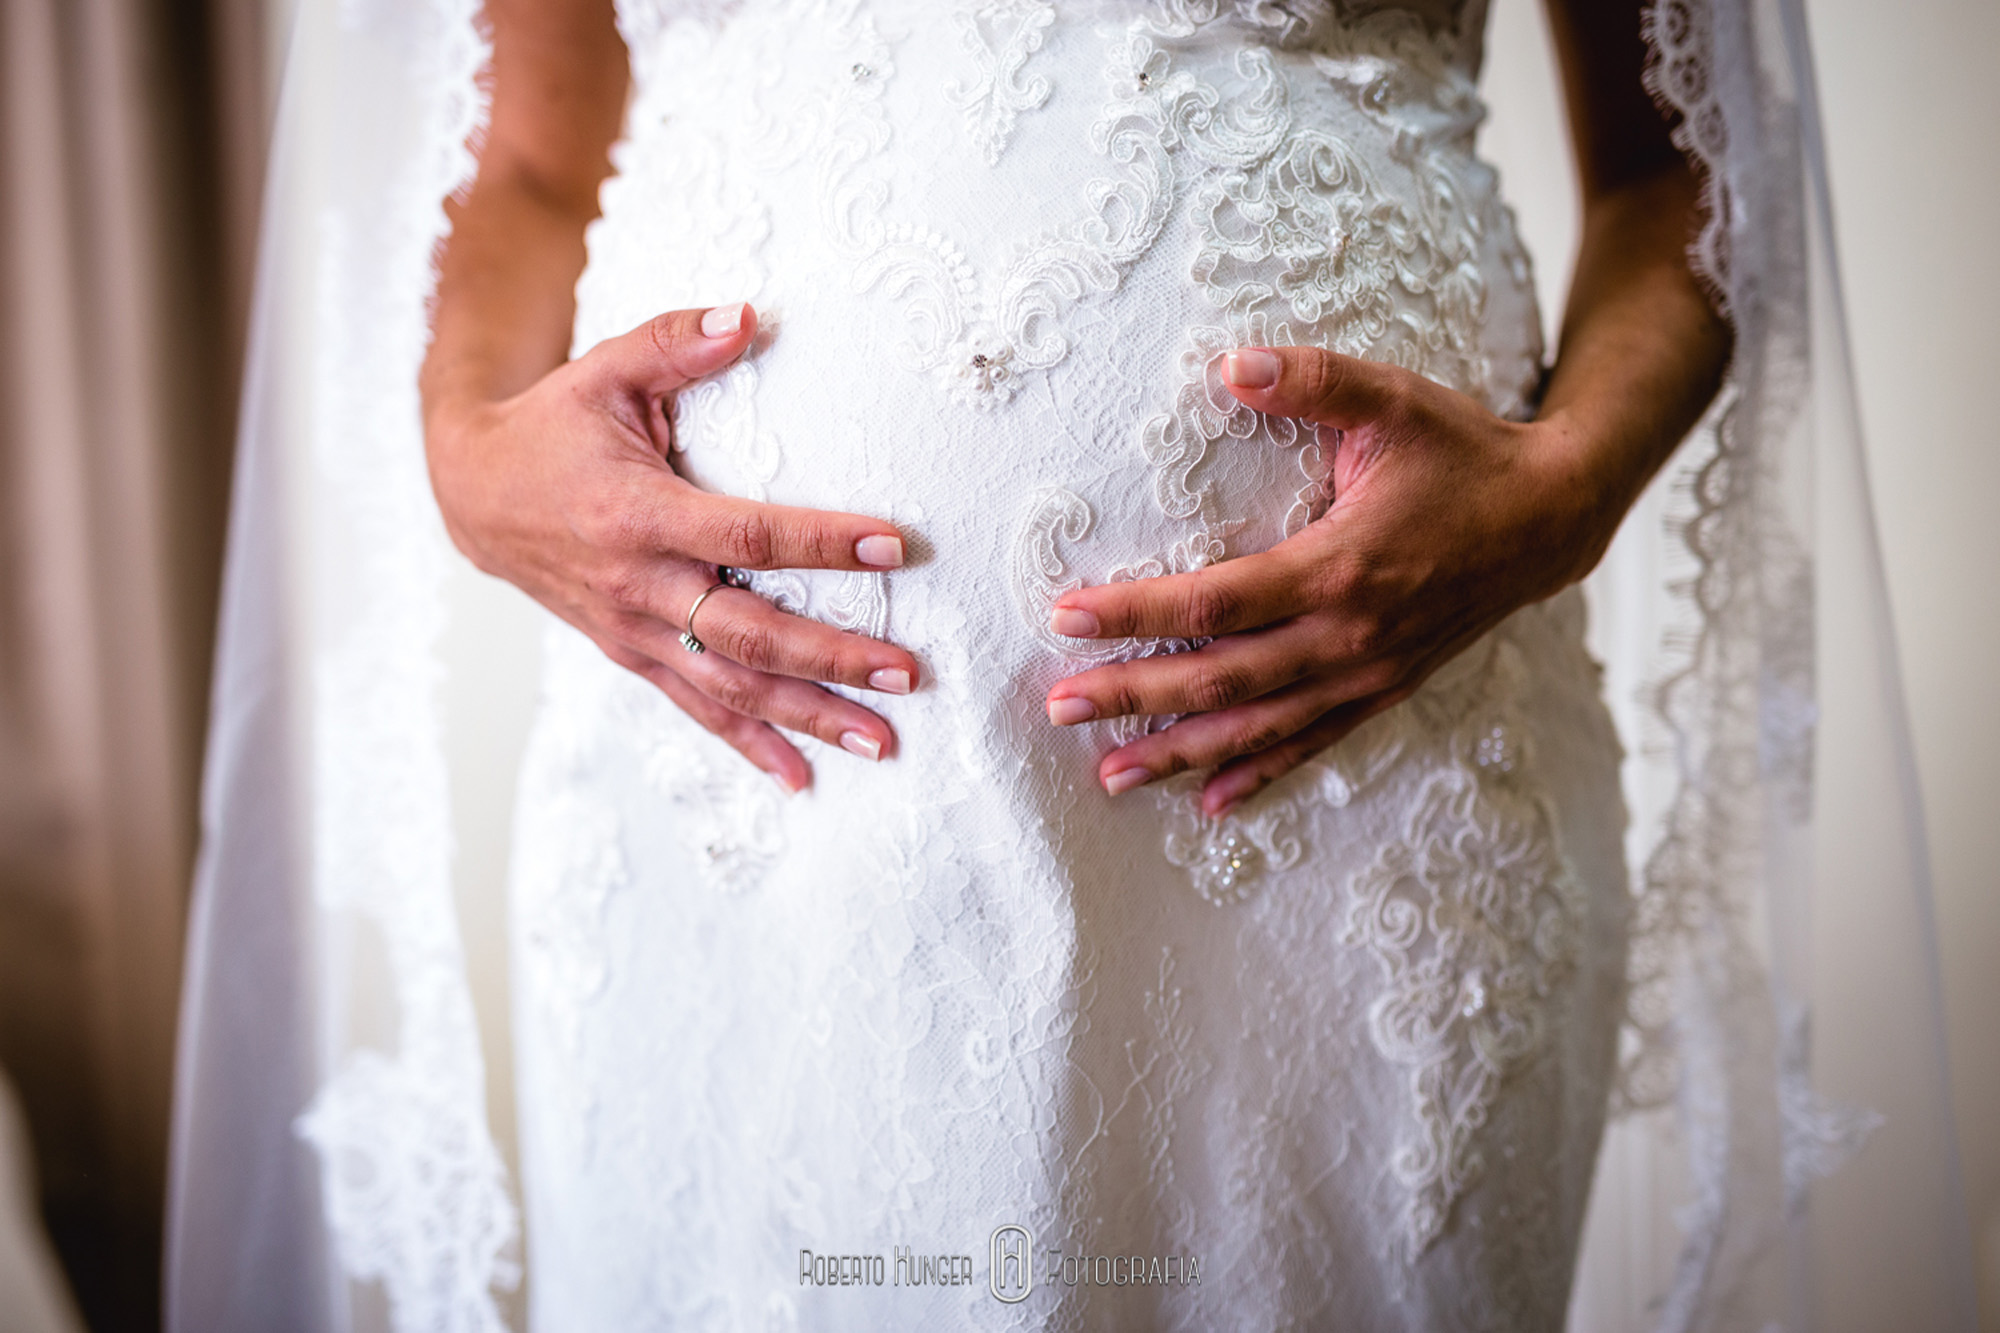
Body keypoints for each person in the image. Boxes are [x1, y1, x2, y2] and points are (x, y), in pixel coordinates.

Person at [164, 0, 1981, 1329]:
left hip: (1362, 811)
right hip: (751, 829)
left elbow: (1686, 171)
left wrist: (1563, 489)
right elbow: (533, 151)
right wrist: (480, 465)